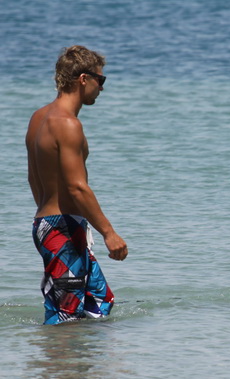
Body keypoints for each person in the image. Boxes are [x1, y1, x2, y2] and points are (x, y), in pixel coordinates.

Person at [26, 45, 128, 324]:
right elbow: (77, 187)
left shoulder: (39, 118)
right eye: (101, 80)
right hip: (61, 230)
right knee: (65, 316)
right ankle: (55, 365)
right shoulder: (68, 124)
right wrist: (109, 233)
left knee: (99, 302)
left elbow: (33, 178)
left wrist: (54, 220)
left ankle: (83, 367)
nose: (102, 88)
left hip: (58, 225)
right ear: (84, 79)